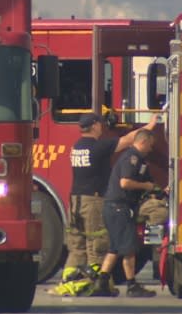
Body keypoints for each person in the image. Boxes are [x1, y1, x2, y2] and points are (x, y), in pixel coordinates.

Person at [61, 112, 158, 293]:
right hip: (93, 200)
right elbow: (129, 140)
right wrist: (149, 126)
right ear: (96, 125)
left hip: (75, 201)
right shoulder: (98, 147)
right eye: (101, 124)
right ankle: (95, 285)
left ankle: (68, 282)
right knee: (97, 244)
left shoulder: (76, 146)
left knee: (77, 245)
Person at [93, 129, 158, 298]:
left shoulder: (138, 159)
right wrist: (146, 187)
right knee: (129, 248)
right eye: (150, 145)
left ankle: (102, 283)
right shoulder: (132, 158)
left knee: (115, 248)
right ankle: (132, 285)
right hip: (119, 208)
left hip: (113, 208)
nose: (151, 149)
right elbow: (125, 182)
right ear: (142, 142)